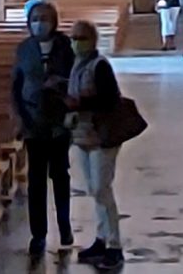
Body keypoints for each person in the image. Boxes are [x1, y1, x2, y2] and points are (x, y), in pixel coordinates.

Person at [65, 19, 134, 268]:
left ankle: (114, 246)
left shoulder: (100, 65)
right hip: (82, 135)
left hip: (102, 137)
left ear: (92, 41)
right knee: (94, 190)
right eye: (73, 38)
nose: (75, 43)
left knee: (102, 189)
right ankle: (101, 239)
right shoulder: (76, 65)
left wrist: (79, 103)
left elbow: (108, 100)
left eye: (80, 38)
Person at [10, 0, 75, 260]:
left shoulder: (64, 47)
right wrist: (23, 118)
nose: (40, 23)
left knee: (60, 177)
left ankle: (65, 227)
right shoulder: (24, 49)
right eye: (35, 18)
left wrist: (61, 88)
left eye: (45, 18)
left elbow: (76, 78)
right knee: (36, 181)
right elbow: (17, 86)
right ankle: (38, 234)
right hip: (33, 123)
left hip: (59, 123)